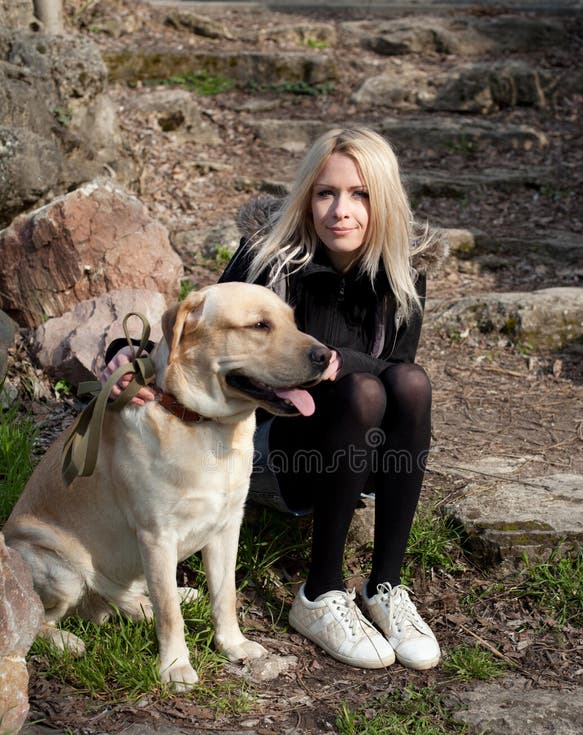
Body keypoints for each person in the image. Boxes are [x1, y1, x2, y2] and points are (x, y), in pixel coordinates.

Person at [105, 126, 447, 671]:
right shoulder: (270, 258)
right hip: (267, 453)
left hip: (352, 456)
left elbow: (397, 368)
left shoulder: (402, 276)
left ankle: (385, 585)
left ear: (383, 202)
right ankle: (321, 592)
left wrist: (342, 361)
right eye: (326, 192)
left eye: (360, 195)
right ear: (307, 197)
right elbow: (198, 329)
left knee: (409, 383)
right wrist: (124, 358)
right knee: (361, 390)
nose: (341, 210)